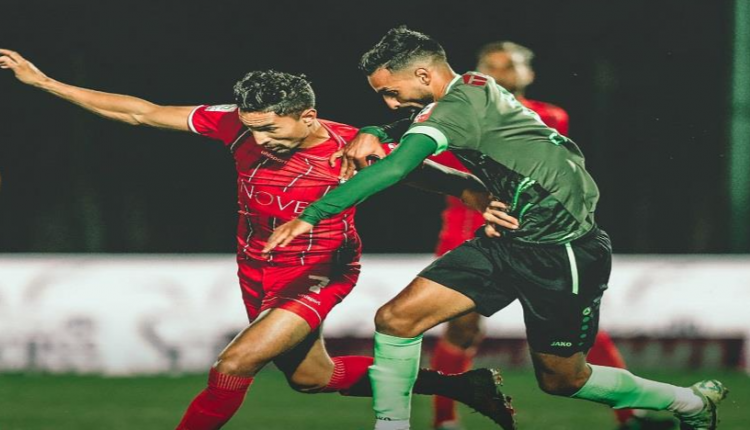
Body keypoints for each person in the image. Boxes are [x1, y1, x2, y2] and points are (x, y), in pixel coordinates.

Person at [0, 49, 518, 430]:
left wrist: (483, 199)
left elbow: (438, 177)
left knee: (234, 364)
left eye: (271, 129)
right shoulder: (237, 125)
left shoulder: (351, 147)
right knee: (312, 378)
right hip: (256, 269)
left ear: (307, 116)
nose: (260, 140)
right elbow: (142, 111)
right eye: (252, 129)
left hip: (320, 270)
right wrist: (45, 82)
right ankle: (456, 386)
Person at [263, 27, 729, 430]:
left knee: (563, 379)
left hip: (562, 251)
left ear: (423, 75)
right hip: (505, 239)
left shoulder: (453, 109)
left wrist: (312, 214)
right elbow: (417, 125)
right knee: (396, 320)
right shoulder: (473, 84)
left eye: (391, 91)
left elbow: (398, 167)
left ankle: (689, 402)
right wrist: (380, 129)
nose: (389, 101)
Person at [422, 41, 674, 430]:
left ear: (529, 73)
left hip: (539, 233)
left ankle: (629, 416)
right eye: (490, 65)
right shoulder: (455, 112)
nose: (499, 72)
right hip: (469, 229)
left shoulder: (550, 116)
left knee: (576, 328)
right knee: (461, 327)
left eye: (509, 65)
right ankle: (444, 421)